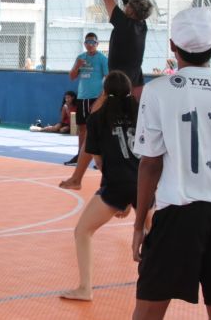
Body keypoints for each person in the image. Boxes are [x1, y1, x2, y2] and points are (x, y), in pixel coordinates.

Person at [131, 6, 211, 320]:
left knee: (149, 307)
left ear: (173, 46)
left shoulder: (158, 90)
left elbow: (150, 163)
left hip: (178, 210)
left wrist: (138, 224)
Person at [60, 71, 150, 302]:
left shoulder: (98, 118)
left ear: (104, 91)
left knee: (83, 231)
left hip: (117, 184)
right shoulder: (142, 114)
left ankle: (85, 288)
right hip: (145, 182)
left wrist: (118, 198)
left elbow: (97, 159)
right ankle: (158, 286)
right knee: (154, 234)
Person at [91, 0, 153, 100]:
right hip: (136, 80)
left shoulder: (124, 24)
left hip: (119, 83)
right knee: (135, 117)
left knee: (99, 115)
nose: (125, 4)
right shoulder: (141, 24)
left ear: (131, 11)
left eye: (127, 5)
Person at [60, 32, 109, 188]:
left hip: (96, 98)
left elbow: (108, 77)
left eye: (93, 42)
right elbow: (72, 76)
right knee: (82, 129)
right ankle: (79, 156)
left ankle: (100, 159)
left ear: (97, 43)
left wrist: (103, 96)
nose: (90, 44)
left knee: (97, 130)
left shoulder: (102, 59)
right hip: (82, 97)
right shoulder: (81, 57)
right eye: (87, 42)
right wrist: (77, 66)